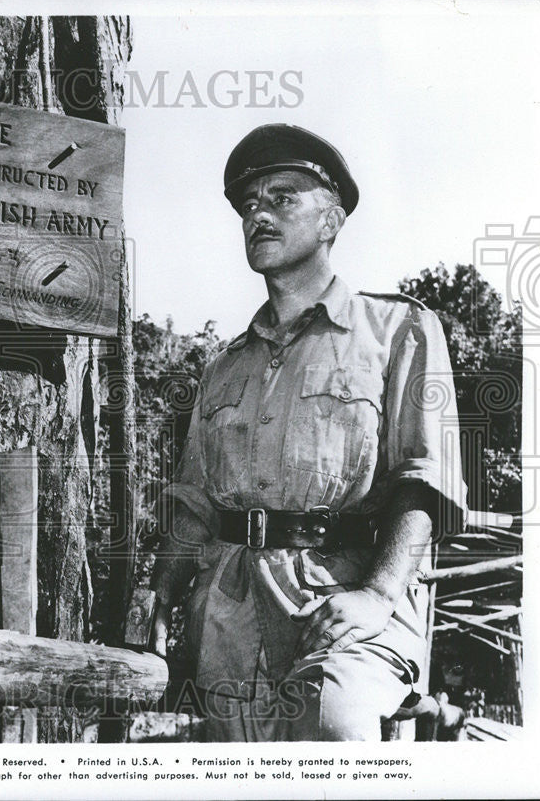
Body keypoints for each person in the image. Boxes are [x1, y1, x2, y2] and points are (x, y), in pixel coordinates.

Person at [149, 124, 467, 741]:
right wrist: (162, 590)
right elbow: (192, 499)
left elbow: (423, 482)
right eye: (249, 206)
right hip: (230, 614)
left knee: (332, 726)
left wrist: (377, 595)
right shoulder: (225, 364)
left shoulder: (398, 330)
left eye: (281, 198)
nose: (258, 215)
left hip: (345, 601)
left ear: (331, 222)